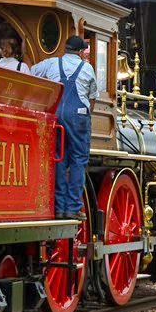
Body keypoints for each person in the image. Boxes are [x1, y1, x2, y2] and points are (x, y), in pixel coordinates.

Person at [31, 35, 97, 219]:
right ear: (81, 51)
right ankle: (73, 207)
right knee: (78, 160)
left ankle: (58, 207)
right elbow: (92, 97)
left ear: (66, 49)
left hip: (56, 114)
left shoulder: (52, 63)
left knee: (59, 158)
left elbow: (31, 71)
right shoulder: (87, 68)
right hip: (78, 116)